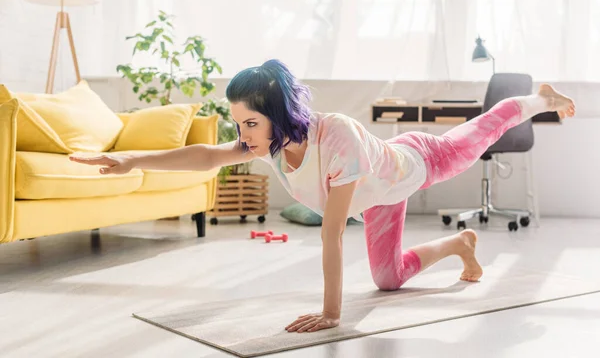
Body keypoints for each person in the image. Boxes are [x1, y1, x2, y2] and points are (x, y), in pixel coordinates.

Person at [70, 59, 575, 334]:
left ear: (278, 115)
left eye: (250, 121)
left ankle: (540, 98)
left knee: (482, 131)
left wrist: (333, 314)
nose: (242, 134)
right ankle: (460, 245)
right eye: (239, 122)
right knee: (387, 279)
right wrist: (130, 159)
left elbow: (333, 234)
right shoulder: (266, 142)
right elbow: (205, 155)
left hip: (419, 160)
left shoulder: (337, 136)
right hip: (378, 194)